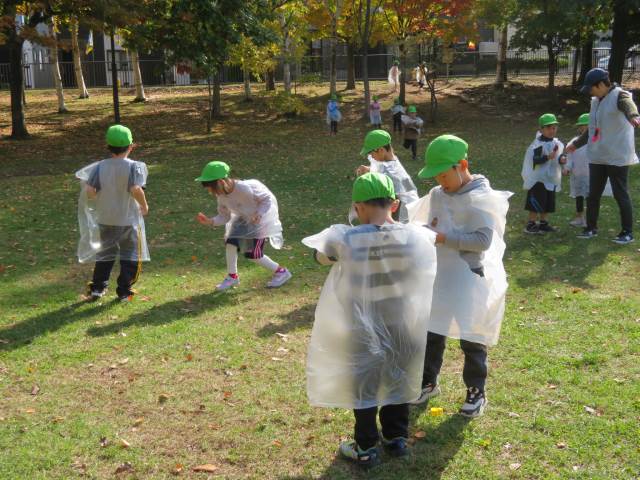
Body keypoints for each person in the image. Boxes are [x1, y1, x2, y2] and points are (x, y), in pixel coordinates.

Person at [302, 172, 437, 469]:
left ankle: (365, 446)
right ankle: (396, 438)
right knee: (398, 378)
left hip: (363, 328)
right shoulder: (416, 237)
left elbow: (319, 257)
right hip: (403, 325)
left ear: (358, 207)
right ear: (395, 204)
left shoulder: (345, 239)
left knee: (364, 385)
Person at [407, 134, 512, 418]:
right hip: (440, 276)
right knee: (432, 331)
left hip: (469, 277)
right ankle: (428, 382)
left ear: (461, 165)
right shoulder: (438, 195)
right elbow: (420, 222)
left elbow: (481, 240)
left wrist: (440, 236)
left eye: (443, 174)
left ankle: (476, 392)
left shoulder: (482, 198)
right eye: (435, 176)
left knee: (471, 337)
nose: (440, 181)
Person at [566, 68, 640, 244]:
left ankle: (627, 232)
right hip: (598, 155)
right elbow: (592, 129)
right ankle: (591, 228)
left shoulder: (620, 95)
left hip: (617, 155)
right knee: (593, 194)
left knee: (620, 193)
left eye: (591, 88)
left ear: (600, 84)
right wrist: (576, 144)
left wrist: (634, 116)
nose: (590, 92)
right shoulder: (596, 101)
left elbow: (629, 106)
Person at [76, 124, 150, 302]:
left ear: (108, 147)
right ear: (131, 146)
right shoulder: (135, 166)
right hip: (128, 220)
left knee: (105, 254)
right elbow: (135, 188)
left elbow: (90, 191)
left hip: (106, 219)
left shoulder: (100, 167)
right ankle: (124, 291)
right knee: (131, 255)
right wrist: (145, 206)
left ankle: (98, 288)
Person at [195, 161, 292, 291]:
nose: (211, 192)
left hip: (261, 220)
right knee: (231, 243)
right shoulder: (221, 196)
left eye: (211, 188)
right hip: (243, 219)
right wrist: (210, 221)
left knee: (253, 254)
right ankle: (232, 277)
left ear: (220, 182)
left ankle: (281, 272)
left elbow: (267, 199)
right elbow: (225, 216)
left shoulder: (245, 188)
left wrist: (259, 214)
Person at [356, 129, 419, 223]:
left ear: (381, 150)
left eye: (371, 153)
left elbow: (409, 193)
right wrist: (369, 169)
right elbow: (380, 168)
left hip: (399, 216)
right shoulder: (386, 162)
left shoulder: (394, 174)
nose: (371, 156)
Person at [563, 113, 612, 228]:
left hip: (592, 175)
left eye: (586, 126)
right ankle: (579, 217)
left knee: (590, 198)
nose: (583, 128)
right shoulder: (574, 141)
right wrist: (567, 168)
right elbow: (570, 156)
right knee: (579, 197)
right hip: (577, 175)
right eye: (581, 126)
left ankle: (590, 219)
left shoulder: (596, 141)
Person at [521, 113, 566, 234]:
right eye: (548, 128)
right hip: (538, 179)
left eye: (554, 127)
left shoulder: (556, 143)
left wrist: (561, 159)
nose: (552, 130)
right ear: (541, 129)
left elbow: (559, 156)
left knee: (548, 202)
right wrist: (547, 157)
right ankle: (531, 224)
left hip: (550, 178)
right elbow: (535, 160)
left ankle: (543, 224)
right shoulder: (538, 144)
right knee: (536, 201)